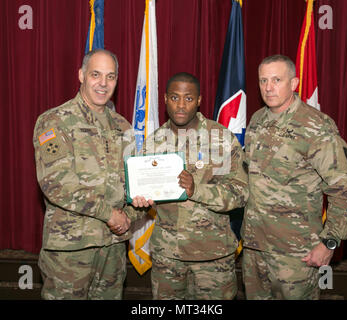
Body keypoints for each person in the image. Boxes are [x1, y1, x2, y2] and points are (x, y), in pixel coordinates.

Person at [241, 54, 347, 299]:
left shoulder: (316, 127)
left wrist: (329, 243)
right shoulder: (257, 120)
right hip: (255, 249)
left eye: (277, 79)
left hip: (296, 254)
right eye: (263, 80)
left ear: (294, 83)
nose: (269, 87)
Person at [33, 49, 143, 299]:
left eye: (111, 76)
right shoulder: (55, 121)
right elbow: (58, 185)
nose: (103, 83)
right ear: (81, 75)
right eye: (96, 74)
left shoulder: (123, 126)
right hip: (71, 250)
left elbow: (133, 182)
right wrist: (110, 215)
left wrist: (131, 212)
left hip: (113, 249)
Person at [136, 72, 249, 299]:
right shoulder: (153, 144)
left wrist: (196, 190)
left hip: (213, 258)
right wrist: (137, 201)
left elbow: (240, 193)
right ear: (166, 99)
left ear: (199, 101)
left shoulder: (222, 139)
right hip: (168, 259)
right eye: (175, 97)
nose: (180, 105)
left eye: (188, 98)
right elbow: (142, 191)